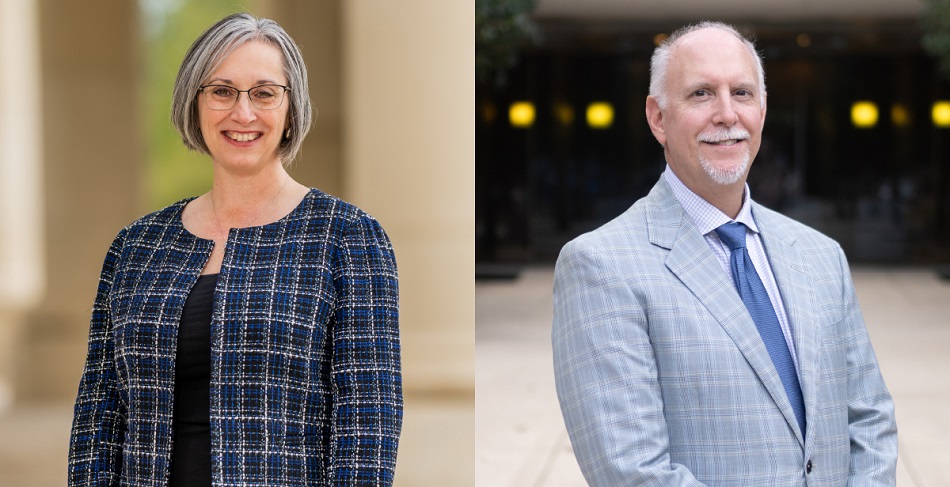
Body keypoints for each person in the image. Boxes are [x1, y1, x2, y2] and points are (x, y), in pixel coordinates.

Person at [552, 21, 897, 486]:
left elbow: (870, 420)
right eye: (701, 94)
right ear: (658, 118)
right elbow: (632, 472)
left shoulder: (821, 256)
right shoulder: (600, 266)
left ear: (763, 108)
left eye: (742, 93)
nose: (726, 114)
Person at [68, 13, 402, 486]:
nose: (242, 113)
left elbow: (367, 425)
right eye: (221, 91)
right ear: (194, 102)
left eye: (263, 93)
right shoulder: (136, 247)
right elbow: (97, 420)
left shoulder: (346, 237)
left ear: (291, 107)